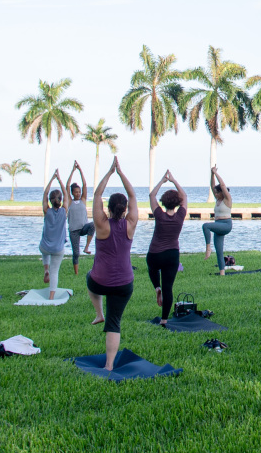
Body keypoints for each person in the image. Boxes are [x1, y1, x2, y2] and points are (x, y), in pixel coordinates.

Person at [87, 156, 138, 370]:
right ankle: (109, 366)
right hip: (124, 284)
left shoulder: (101, 224)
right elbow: (133, 194)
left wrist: (110, 172)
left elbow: (97, 194)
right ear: (125, 209)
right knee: (114, 323)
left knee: (89, 278)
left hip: (100, 281)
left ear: (108, 208)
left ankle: (99, 313)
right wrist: (121, 172)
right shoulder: (131, 223)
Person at [147, 169, 187, 324]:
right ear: (177, 203)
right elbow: (184, 197)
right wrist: (174, 180)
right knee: (168, 288)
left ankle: (157, 287)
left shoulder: (159, 215)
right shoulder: (180, 216)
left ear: (163, 202)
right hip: (172, 255)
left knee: (151, 267)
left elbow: (152, 196)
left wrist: (163, 181)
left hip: (155, 255)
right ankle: (164, 320)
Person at [39, 169, 69, 299]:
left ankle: (46, 269)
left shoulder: (47, 211)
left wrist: (52, 179)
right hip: (58, 249)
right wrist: (60, 180)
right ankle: (51, 297)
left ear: (50, 201)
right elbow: (67, 195)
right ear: (60, 200)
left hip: (44, 247)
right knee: (54, 272)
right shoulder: (64, 211)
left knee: (44, 251)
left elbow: (45, 194)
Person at [203, 166, 233, 275]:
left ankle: (208, 248)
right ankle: (222, 273)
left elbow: (223, 185)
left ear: (222, 192)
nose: (215, 194)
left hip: (226, 225)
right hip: (218, 225)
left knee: (206, 226)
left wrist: (216, 173)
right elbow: (212, 186)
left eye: (217, 192)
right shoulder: (218, 200)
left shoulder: (227, 199)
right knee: (219, 251)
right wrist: (211, 174)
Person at [66, 161, 95, 274]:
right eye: (76, 192)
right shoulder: (69, 201)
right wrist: (73, 170)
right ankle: (76, 273)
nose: (78, 193)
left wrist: (80, 170)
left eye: (79, 192)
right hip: (74, 230)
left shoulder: (83, 200)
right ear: (72, 193)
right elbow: (67, 186)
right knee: (76, 253)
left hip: (83, 228)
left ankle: (86, 247)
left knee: (93, 225)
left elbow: (85, 184)